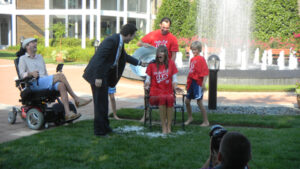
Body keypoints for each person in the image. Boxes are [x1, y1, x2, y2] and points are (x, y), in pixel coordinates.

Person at [83, 23, 146, 137]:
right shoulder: (112, 41)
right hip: (98, 75)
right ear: (129, 34)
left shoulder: (119, 42)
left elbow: (125, 57)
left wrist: (140, 63)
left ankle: (106, 128)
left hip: (104, 75)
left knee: (104, 103)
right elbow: (99, 58)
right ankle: (99, 131)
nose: (132, 39)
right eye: (133, 36)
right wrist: (98, 77)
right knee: (100, 104)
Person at [18, 38, 92, 121]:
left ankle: (68, 113)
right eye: (32, 42)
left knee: (61, 85)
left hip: (44, 81)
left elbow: (45, 73)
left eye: (35, 42)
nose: (35, 44)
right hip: (34, 83)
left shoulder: (40, 57)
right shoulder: (22, 59)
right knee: (60, 76)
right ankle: (76, 99)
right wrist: (30, 73)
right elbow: (21, 75)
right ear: (27, 46)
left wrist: (52, 81)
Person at [144, 45, 183, 134]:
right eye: (158, 56)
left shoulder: (171, 64)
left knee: (169, 98)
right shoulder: (152, 64)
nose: (159, 58)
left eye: (161, 56)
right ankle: (163, 127)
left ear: (165, 55)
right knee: (163, 98)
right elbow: (148, 79)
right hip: (155, 93)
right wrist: (147, 85)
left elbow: (175, 79)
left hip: (168, 91)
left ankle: (169, 126)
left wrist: (175, 86)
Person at [184, 41, 209, 127]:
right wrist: (188, 83)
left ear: (199, 50)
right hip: (191, 82)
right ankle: (190, 117)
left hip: (198, 83)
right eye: (192, 50)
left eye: (195, 50)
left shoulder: (201, 59)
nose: (194, 51)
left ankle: (206, 121)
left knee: (199, 102)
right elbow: (191, 72)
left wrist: (203, 83)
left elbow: (205, 72)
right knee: (187, 101)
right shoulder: (192, 59)